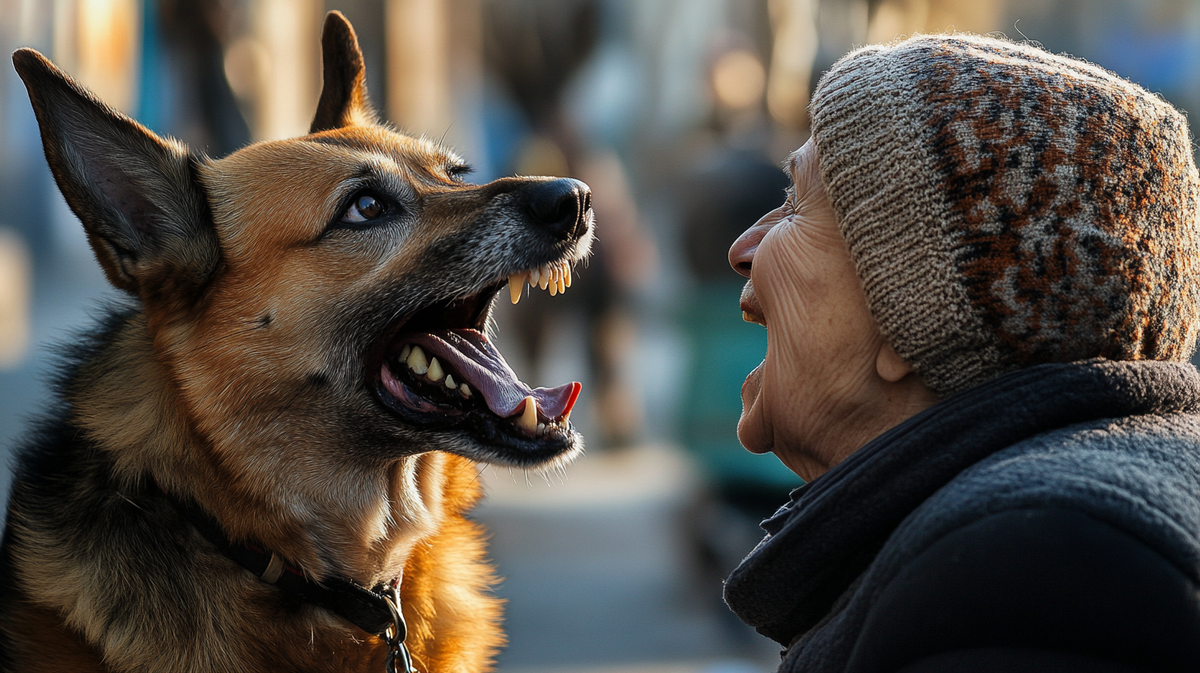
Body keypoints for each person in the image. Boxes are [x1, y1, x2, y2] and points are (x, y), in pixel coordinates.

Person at [722, 33, 1200, 672]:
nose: (742, 248)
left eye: (795, 205)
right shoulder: (1060, 525)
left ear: (907, 314)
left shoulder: (1022, 570)